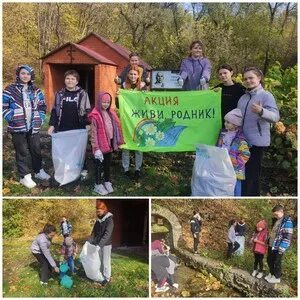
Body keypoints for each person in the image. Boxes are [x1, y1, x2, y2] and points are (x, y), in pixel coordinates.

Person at [2, 64, 50, 188]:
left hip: (33, 126)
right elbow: (3, 105)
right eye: (23, 73)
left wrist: (40, 117)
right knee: (22, 151)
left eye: (28, 74)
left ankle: (38, 171)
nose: (25, 76)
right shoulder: (10, 89)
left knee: (36, 149)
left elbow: (42, 106)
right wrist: (11, 117)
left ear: (31, 76)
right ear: (18, 74)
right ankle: (24, 176)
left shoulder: (36, 90)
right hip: (17, 126)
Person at [237, 67, 280, 196]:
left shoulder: (266, 95)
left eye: (251, 78)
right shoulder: (243, 98)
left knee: (252, 175)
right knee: (242, 173)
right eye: (245, 79)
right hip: (242, 141)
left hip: (257, 142)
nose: (248, 81)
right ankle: (243, 195)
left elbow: (275, 117)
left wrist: (261, 111)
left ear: (259, 78)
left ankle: (252, 195)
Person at [48, 69, 91, 177]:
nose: (70, 81)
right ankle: (66, 168)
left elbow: (87, 110)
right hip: (62, 126)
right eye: (68, 78)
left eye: (73, 79)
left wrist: (87, 123)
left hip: (78, 126)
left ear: (77, 81)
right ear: (64, 80)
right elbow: (54, 110)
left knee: (79, 149)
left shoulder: (82, 93)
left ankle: (82, 168)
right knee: (64, 149)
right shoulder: (59, 93)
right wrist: (52, 125)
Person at [88, 92, 124, 195]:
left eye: (108, 102)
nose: (106, 104)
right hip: (99, 146)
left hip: (109, 143)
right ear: (99, 102)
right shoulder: (95, 115)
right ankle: (97, 184)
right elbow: (93, 133)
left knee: (107, 164)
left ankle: (107, 181)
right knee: (99, 165)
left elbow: (115, 126)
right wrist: (96, 148)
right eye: (103, 102)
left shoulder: (111, 112)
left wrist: (117, 140)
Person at [216, 108, 250, 196]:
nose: (225, 124)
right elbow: (218, 146)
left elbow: (245, 154)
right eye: (225, 121)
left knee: (235, 187)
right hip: (223, 165)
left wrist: (235, 163)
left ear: (235, 125)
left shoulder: (240, 139)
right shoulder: (223, 134)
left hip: (235, 169)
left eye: (228, 122)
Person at [120, 66, 146, 180]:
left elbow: (147, 102)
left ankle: (137, 169)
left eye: (135, 74)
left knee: (139, 145)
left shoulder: (143, 86)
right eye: (131, 74)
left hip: (139, 118)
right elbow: (119, 103)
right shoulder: (124, 86)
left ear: (138, 75)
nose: (133, 76)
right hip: (127, 119)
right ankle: (126, 169)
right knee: (126, 145)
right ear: (128, 75)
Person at [265, 204, 293, 284]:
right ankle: (271, 273)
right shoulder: (276, 220)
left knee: (276, 262)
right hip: (272, 244)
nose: (275, 216)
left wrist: (282, 247)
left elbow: (287, 236)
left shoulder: (287, 221)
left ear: (281, 211)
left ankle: (277, 277)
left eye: (276, 214)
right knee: (269, 260)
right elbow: (274, 232)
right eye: (274, 214)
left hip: (279, 246)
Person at [89, 201, 114, 286]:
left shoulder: (109, 220)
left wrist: (100, 245)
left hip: (106, 245)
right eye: (97, 211)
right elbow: (93, 232)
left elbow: (107, 234)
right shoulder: (98, 220)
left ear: (104, 210)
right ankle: (100, 276)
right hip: (97, 244)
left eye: (99, 211)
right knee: (98, 261)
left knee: (105, 262)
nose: (98, 213)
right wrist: (89, 241)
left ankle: (107, 277)